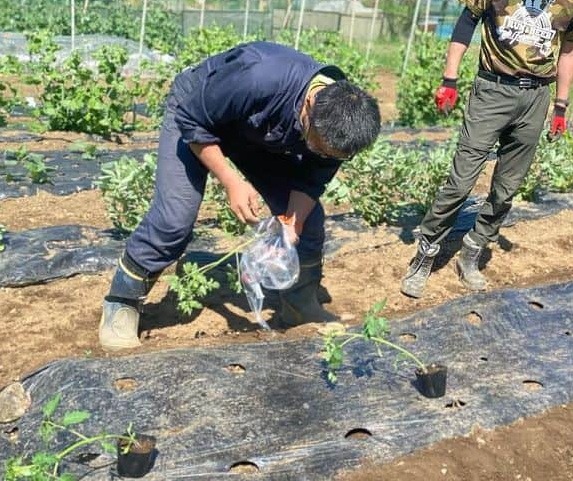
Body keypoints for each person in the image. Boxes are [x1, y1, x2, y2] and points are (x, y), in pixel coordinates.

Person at [99, 41, 381, 351]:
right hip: (197, 112)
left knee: (309, 219)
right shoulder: (261, 77)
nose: (320, 154)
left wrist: (292, 224)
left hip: (253, 133)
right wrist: (231, 181)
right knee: (173, 221)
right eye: (317, 147)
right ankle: (122, 301)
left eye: (328, 153)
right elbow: (193, 119)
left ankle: (300, 304)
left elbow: (313, 178)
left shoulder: (339, 127)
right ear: (310, 103)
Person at [400, 0, 573, 298]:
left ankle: (473, 250)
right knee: (461, 180)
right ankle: (427, 250)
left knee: (507, 188)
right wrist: (450, 78)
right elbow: (467, 20)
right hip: (492, 88)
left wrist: (561, 104)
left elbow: (570, 49)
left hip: (536, 96)